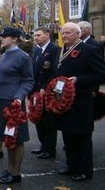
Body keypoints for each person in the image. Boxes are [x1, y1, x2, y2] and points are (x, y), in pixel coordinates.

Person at [55, 22, 105, 181]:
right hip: (64, 100)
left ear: (78, 34)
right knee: (68, 134)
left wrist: (79, 80)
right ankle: (71, 165)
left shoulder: (89, 50)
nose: (64, 36)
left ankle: (84, 170)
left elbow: (101, 75)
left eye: (68, 33)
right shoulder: (61, 51)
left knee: (82, 136)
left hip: (81, 99)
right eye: (63, 33)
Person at [0, 27, 34, 184]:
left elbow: (28, 80)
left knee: (17, 138)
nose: (2, 39)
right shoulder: (4, 55)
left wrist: (19, 97)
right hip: (0, 100)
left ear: (15, 39)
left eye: (5, 36)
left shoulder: (23, 57)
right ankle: (9, 169)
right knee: (7, 136)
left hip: (13, 103)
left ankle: (16, 173)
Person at [31, 27, 59, 159]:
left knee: (48, 121)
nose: (36, 38)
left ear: (47, 35)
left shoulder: (54, 50)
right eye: (35, 36)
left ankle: (50, 149)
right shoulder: (37, 50)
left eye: (39, 35)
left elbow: (54, 72)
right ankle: (43, 146)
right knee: (39, 119)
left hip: (47, 91)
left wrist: (46, 87)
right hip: (36, 91)